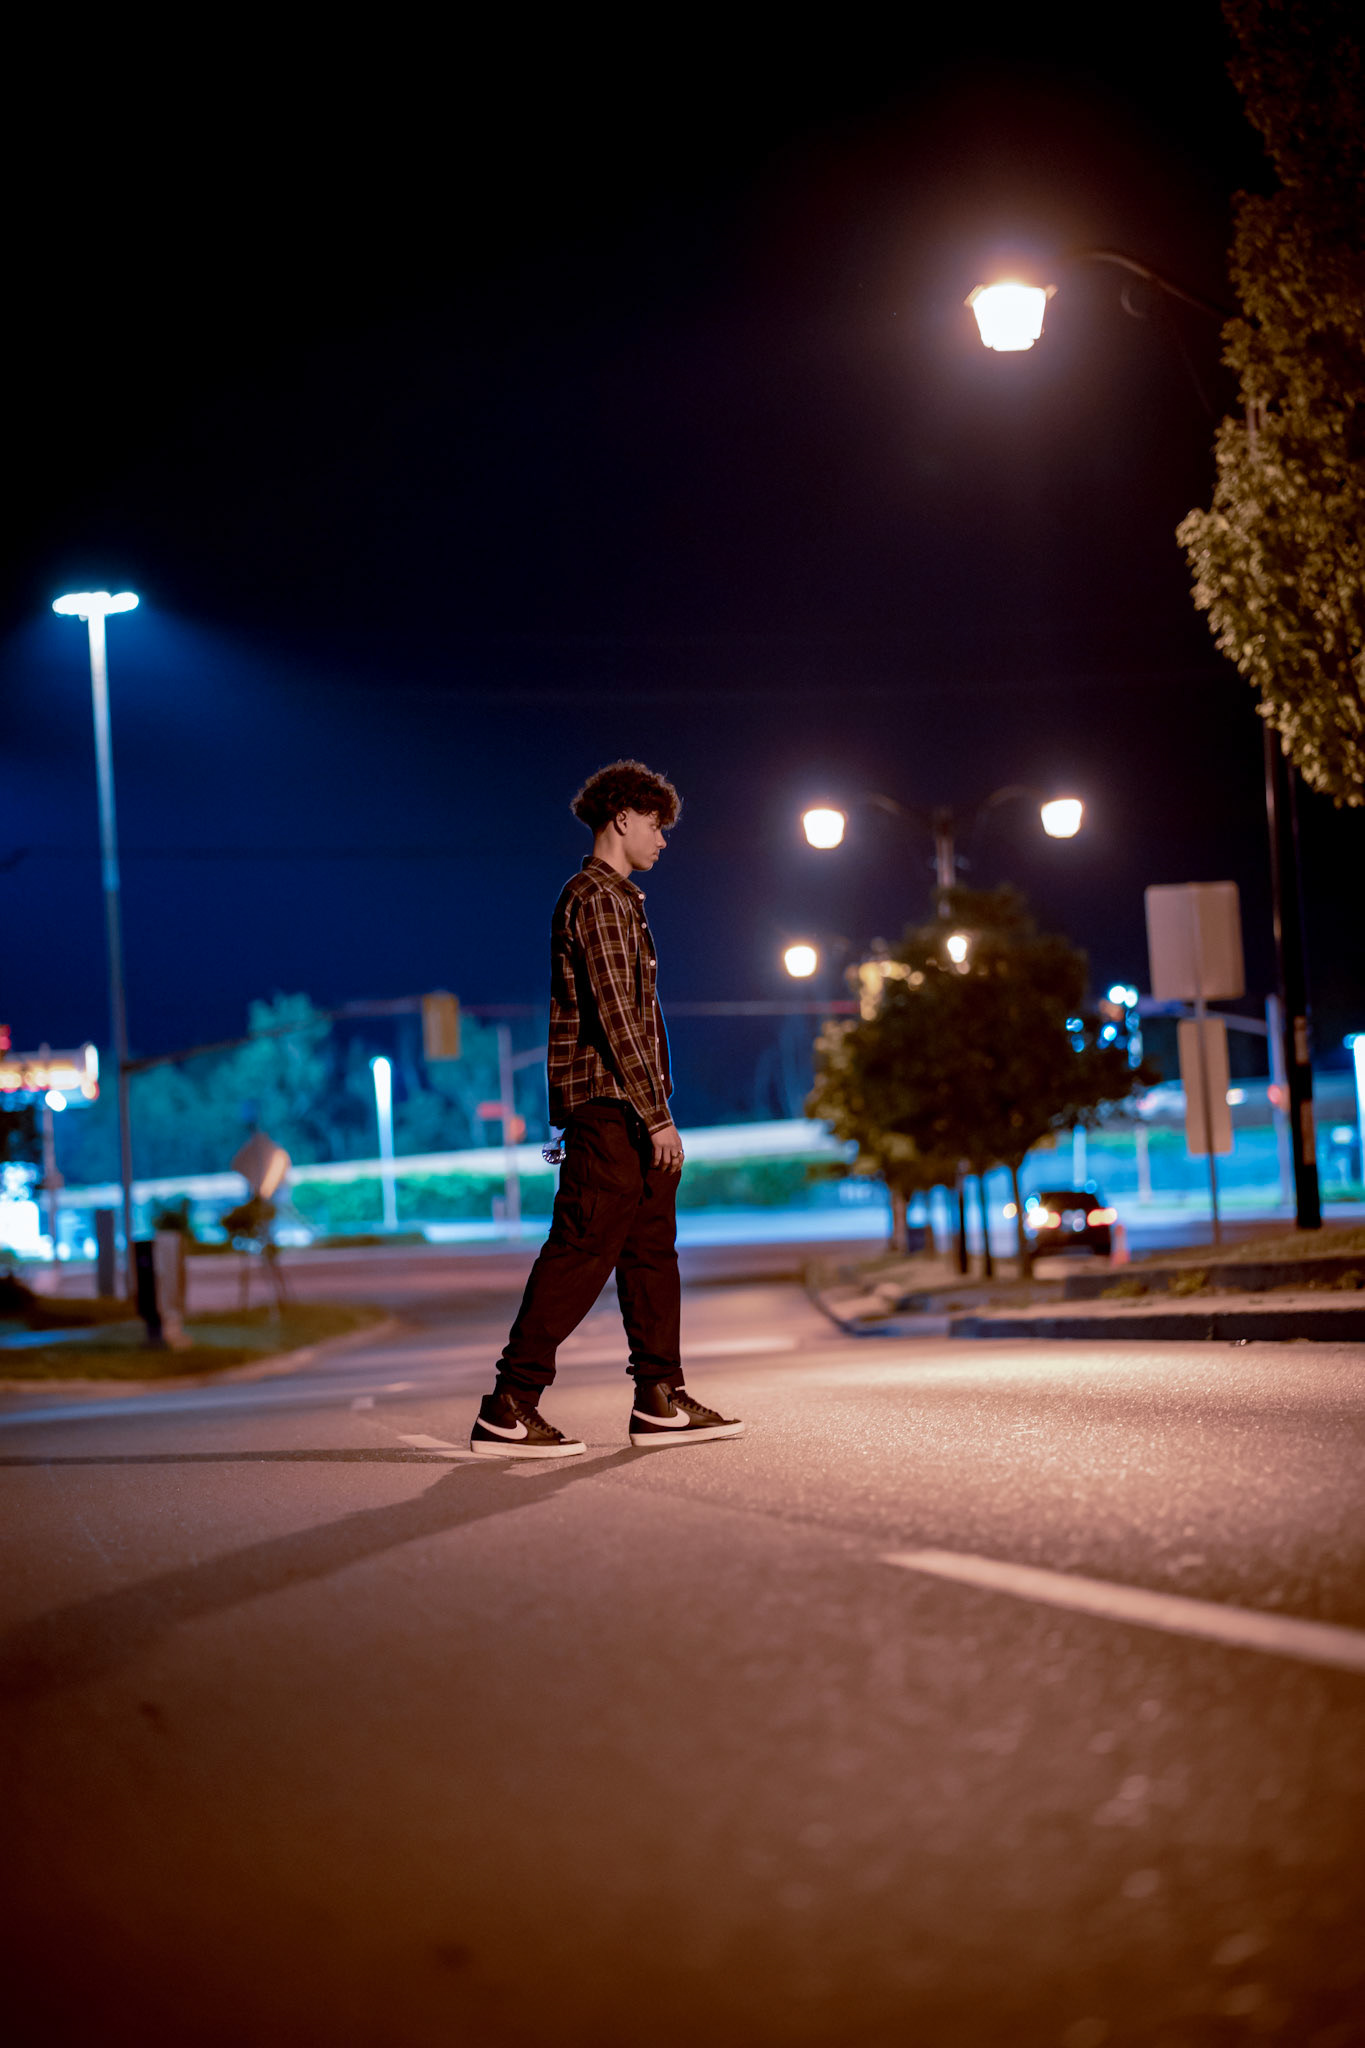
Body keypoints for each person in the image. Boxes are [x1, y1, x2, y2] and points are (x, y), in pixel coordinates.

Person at [471, 760, 744, 1458]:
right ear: (622, 819)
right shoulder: (595, 897)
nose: (663, 839)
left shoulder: (619, 899)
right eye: (656, 824)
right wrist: (657, 1115)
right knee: (581, 1248)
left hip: (629, 1107)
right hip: (605, 1107)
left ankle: (659, 1397)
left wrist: (652, 1111)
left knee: (650, 1251)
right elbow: (617, 1017)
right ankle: (508, 1405)